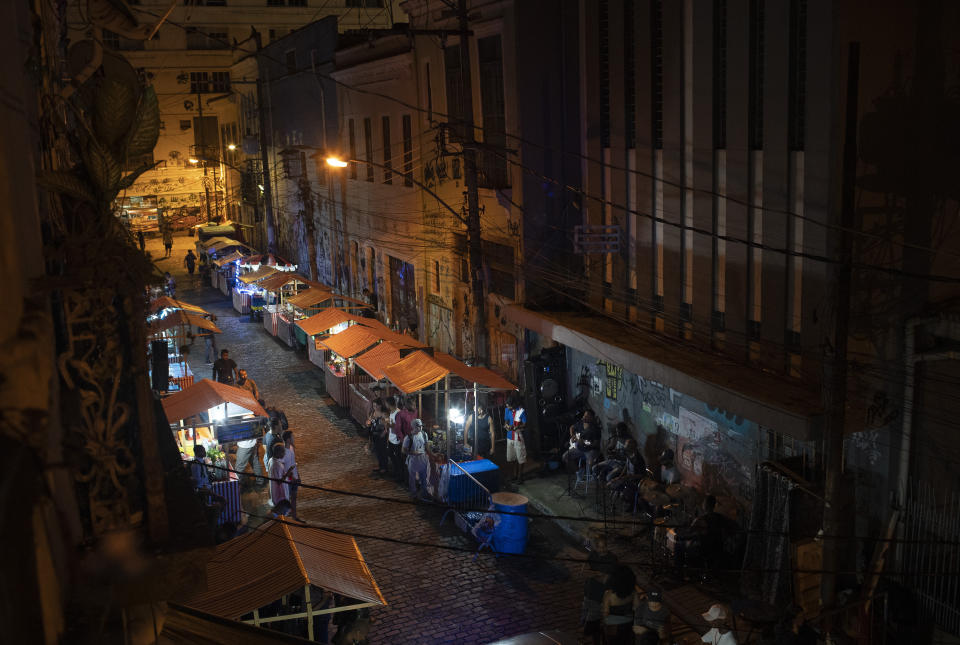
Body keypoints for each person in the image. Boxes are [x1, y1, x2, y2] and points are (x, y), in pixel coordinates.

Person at [602, 565, 637, 645]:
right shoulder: (633, 593)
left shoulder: (609, 595)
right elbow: (637, 609)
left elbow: (605, 611)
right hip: (628, 624)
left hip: (613, 625)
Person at [402, 418, 430, 500]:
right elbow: (403, 450)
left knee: (423, 477)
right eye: (418, 426)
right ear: (413, 427)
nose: (420, 428)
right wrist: (414, 453)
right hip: (413, 460)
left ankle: (424, 492)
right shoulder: (408, 438)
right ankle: (413, 494)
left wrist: (432, 454)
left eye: (421, 426)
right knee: (412, 478)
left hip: (423, 459)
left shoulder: (424, 434)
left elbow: (427, 446)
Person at [504, 395, 527, 483]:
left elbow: (525, 424)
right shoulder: (507, 410)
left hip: (518, 436)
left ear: (513, 404)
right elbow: (506, 421)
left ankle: (520, 477)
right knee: (510, 458)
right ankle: (513, 475)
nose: (507, 407)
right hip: (509, 437)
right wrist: (506, 426)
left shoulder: (521, 411)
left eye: (508, 405)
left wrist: (516, 427)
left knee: (520, 457)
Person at [282, 430, 302, 521]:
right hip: (289, 480)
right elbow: (286, 469)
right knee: (287, 499)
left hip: (294, 478)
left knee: (294, 498)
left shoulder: (291, 448)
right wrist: (292, 478)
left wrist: (297, 475)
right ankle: (286, 518)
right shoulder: (284, 453)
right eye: (292, 437)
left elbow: (293, 464)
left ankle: (294, 516)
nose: (294, 439)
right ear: (288, 439)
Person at [385, 397, 406, 482]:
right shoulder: (391, 412)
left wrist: (389, 425)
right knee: (391, 455)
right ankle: (396, 471)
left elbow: (399, 426)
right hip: (391, 439)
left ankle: (400, 476)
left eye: (386, 403)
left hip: (397, 440)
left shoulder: (398, 413)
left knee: (399, 459)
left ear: (389, 404)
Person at [267, 443, 293, 509]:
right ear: (278, 453)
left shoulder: (271, 460)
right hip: (280, 494)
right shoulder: (276, 465)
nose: (284, 454)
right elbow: (279, 481)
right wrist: (288, 473)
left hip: (277, 492)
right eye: (283, 452)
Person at [366, 402, 390, 475]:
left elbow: (387, 424)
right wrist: (368, 423)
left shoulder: (384, 413)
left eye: (376, 405)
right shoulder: (373, 412)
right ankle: (380, 465)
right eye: (374, 406)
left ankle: (384, 467)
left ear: (380, 405)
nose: (375, 407)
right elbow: (369, 421)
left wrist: (385, 432)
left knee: (383, 451)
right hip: (374, 434)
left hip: (381, 435)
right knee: (377, 451)